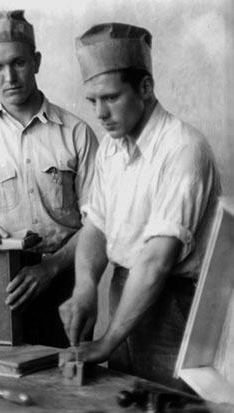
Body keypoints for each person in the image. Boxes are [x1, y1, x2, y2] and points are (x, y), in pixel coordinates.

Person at [59, 22, 221, 388]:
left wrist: (107, 340)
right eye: (92, 101)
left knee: (169, 402)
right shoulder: (112, 147)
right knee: (121, 398)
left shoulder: (184, 148)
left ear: (145, 88)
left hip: (175, 305)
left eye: (111, 97)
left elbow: (156, 260)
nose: (99, 113)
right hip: (126, 293)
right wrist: (85, 287)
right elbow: (96, 225)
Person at [0, 10, 98, 348]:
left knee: (68, 387)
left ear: (36, 61)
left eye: (18, 63)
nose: (9, 76)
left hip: (65, 281)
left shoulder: (77, 133)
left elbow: (101, 223)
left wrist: (52, 267)